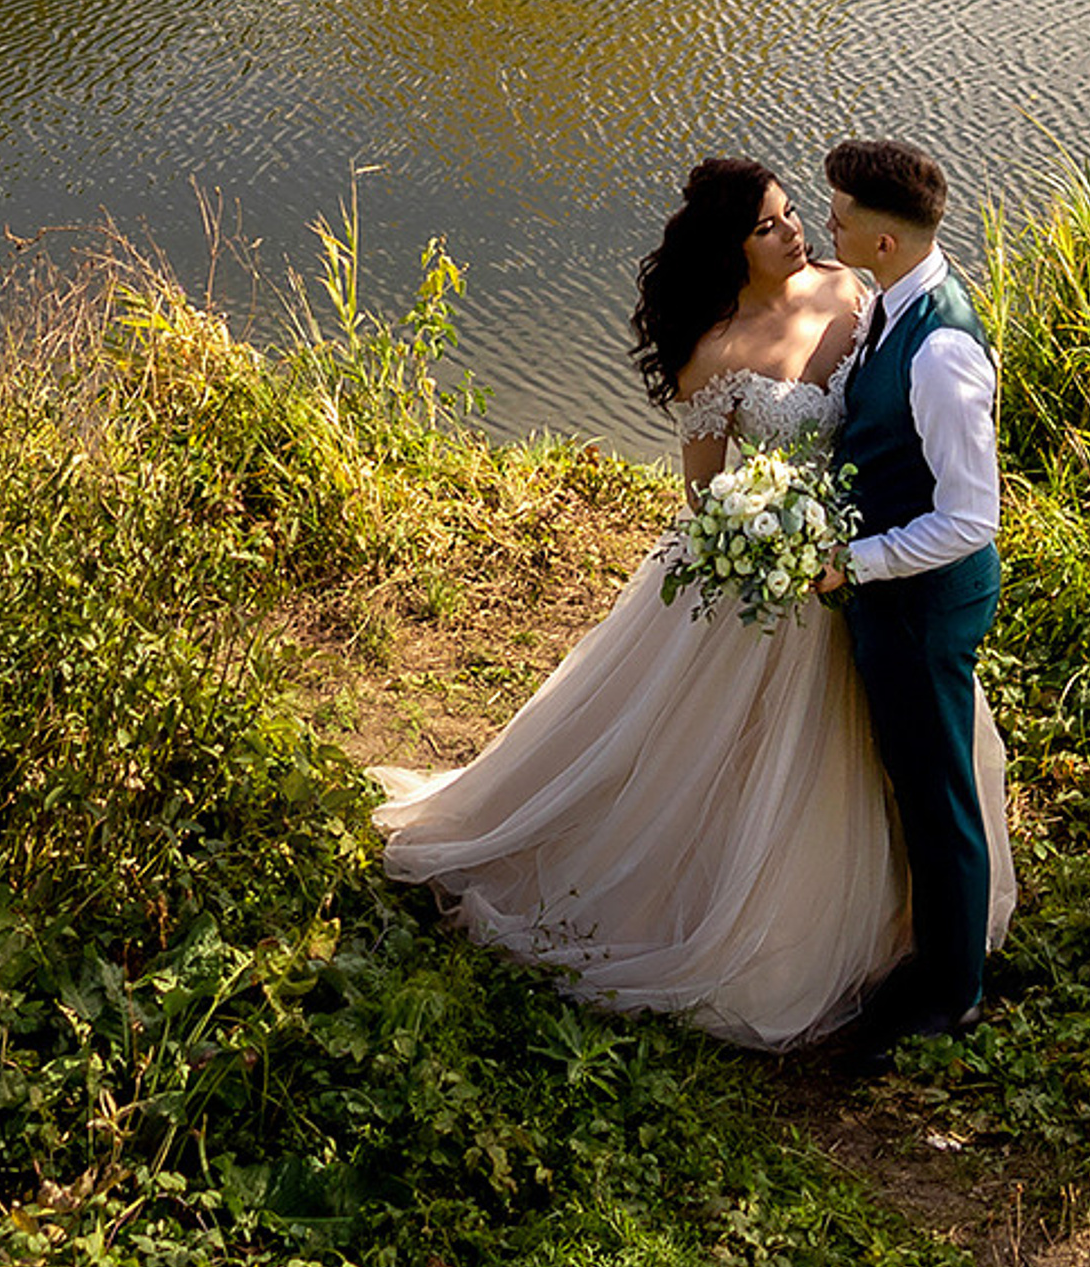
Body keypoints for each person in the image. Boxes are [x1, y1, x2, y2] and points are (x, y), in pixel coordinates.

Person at [373, 157, 1010, 1052]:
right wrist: (766, 538)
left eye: (798, 215)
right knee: (764, 755)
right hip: (783, 577)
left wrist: (848, 548)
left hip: (871, 567)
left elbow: (925, 443)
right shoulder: (716, 353)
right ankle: (802, 927)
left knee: (913, 762)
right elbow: (706, 496)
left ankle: (931, 957)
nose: (799, 233)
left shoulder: (858, 294)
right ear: (729, 250)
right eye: (773, 224)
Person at [818, 136, 1006, 1054]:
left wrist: (860, 562)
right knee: (916, 777)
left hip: (925, 604)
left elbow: (972, 517)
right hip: (896, 592)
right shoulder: (895, 302)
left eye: (841, 218)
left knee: (938, 792)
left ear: (883, 243)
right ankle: (934, 951)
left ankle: (955, 992)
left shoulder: (940, 354)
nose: (829, 226)